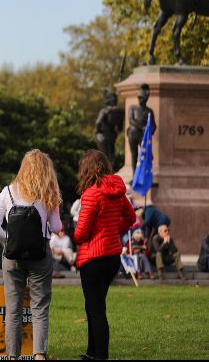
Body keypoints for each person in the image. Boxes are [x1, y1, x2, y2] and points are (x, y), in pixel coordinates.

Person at [0, 150, 63, 361]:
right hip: (40, 255)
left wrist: (8, 241)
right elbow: (57, 227)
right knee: (39, 307)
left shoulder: (8, 191)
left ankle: (13, 356)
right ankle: (39, 355)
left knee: (13, 309)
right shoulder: (49, 192)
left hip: (12, 257)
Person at [73, 149, 136, 361]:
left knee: (96, 309)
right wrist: (111, 230)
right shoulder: (117, 191)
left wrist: (89, 233)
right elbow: (130, 217)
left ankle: (100, 356)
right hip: (111, 257)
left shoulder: (91, 194)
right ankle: (92, 352)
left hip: (93, 258)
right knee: (93, 306)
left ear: (87, 169)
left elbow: (81, 233)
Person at [126, 85, 156, 178]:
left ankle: (144, 175)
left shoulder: (149, 111)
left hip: (143, 135)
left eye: (142, 98)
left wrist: (150, 130)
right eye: (139, 97)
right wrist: (142, 127)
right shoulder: (132, 108)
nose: (140, 99)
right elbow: (131, 120)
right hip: (133, 133)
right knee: (134, 154)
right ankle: (135, 176)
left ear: (146, 99)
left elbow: (154, 125)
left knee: (146, 155)